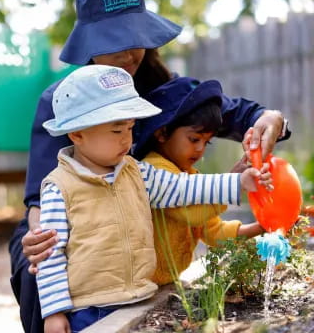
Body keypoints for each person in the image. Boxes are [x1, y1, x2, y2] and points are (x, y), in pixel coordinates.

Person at [9, 0, 289, 332]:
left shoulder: (160, 88)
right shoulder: (62, 101)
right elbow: (41, 199)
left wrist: (267, 119)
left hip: (138, 216)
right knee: (42, 270)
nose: (128, 55)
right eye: (114, 43)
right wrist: (41, 240)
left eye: (135, 41)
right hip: (69, 220)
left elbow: (222, 121)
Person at [36, 65, 272, 333]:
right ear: (77, 134)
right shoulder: (59, 187)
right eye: (116, 131)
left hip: (140, 298)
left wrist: (238, 182)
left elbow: (182, 188)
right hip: (89, 310)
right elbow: (50, 256)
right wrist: (54, 313)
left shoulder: (137, 171)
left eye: (130, 128)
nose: (127, 139)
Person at [132, 77, 266, 285]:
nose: (199, 149)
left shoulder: (188, 174)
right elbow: (192, 213)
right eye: (194, 139)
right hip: (139, 284)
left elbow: (213, 232)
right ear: (162, 132)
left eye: (206, 141)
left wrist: (260, 227)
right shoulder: (154, 169)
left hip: (163, 283)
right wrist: (235, 183)